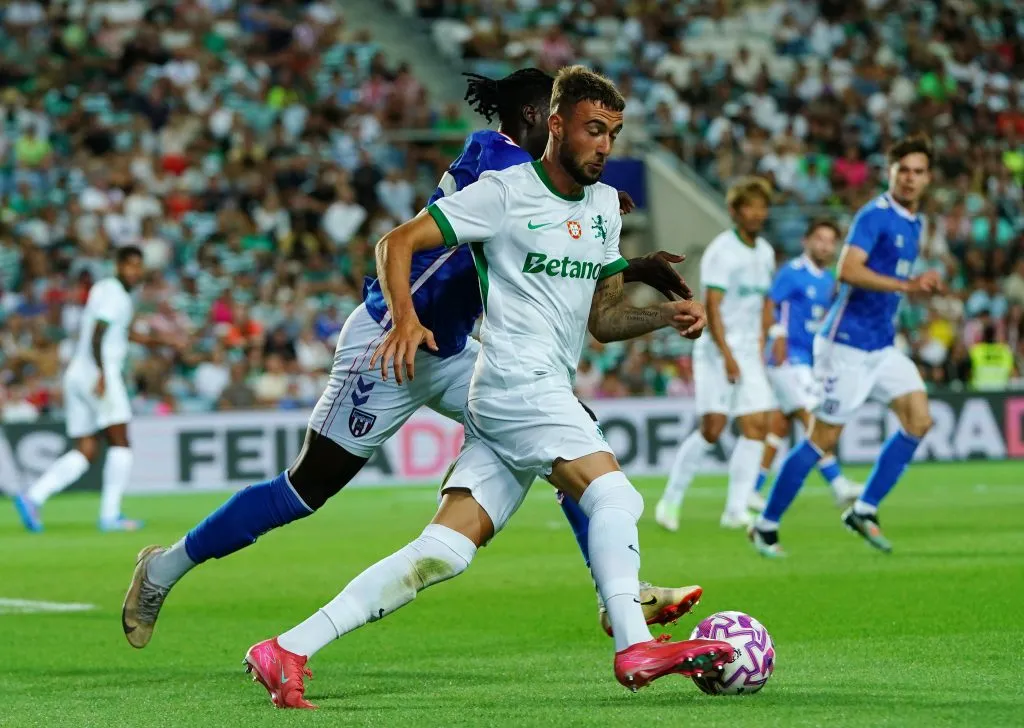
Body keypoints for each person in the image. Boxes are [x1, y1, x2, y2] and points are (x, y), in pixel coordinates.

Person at [122, 69, 699, 650]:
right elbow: (479, 219)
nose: (590, 141)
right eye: (573, 123)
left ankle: (617, 596)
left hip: (448, 349)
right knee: (306, 490)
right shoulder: (493, 160)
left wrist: (623, 258)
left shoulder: (535, 181)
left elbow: (561, 231)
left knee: (568, 429)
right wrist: (404, 319)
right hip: (389, 339)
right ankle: (163, 569)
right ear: (537, 119)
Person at [240, 66, 731, 709]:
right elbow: (397, 241)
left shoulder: (606, 207)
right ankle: (633, 643)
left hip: (526, 391)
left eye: (612, 132)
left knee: (443, 552)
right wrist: (407, 321)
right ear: (555, 125)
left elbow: (604, 321)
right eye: (592, 129)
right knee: (614, 497)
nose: (604, 145)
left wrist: (664, 316)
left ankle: (287, 649)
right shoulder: (504, 192)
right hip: (514, 383)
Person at [750, 135, 942, 557]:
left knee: (919, 420)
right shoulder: (874, 216)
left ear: (928, 178)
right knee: (821, 440)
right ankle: (765, 524)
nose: (910, 179)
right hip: (845, 347)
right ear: (890, 173)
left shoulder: (915, 223)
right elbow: (849, 269)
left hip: (881, 346)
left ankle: (865, 508)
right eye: (903, 170)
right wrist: (908, 285)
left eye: (918, 171)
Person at [13, 246, 181, 532]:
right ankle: (110, 515)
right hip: (98, 374)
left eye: (138, 266)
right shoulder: (115, 293)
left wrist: (161, 342)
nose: (135, 271)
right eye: (129, 265)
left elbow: (120, 332)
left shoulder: (106, 291)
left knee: (86, 450)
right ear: (118, 265)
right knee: (121, 442)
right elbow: (99, 334)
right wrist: (103, 373)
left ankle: (33, 497)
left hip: (77, 374)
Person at [653, 177, 777, 532]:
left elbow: (765, 301)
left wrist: (763, 341)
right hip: (716, 349)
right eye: (750, 207)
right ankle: (671, 500)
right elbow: (713, 308)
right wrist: (728, 355)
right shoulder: (723, 251)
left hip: (749, 349)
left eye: (762, 207)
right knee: (713, 428)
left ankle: (735, 509)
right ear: (736, 212)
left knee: (757, 426)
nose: (758, 213)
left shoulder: (765, 252)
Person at [749, 219, 862, 512]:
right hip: (787, 360)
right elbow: (768, 305)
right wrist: (776, 334)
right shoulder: (792, 273)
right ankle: (838, 484)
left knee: (778, 427)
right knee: (813, 418)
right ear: (806, 241)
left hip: (808, 361)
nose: (824, 245)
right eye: (819, 239)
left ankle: (751, 491)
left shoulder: (828, 280)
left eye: (830, 241)